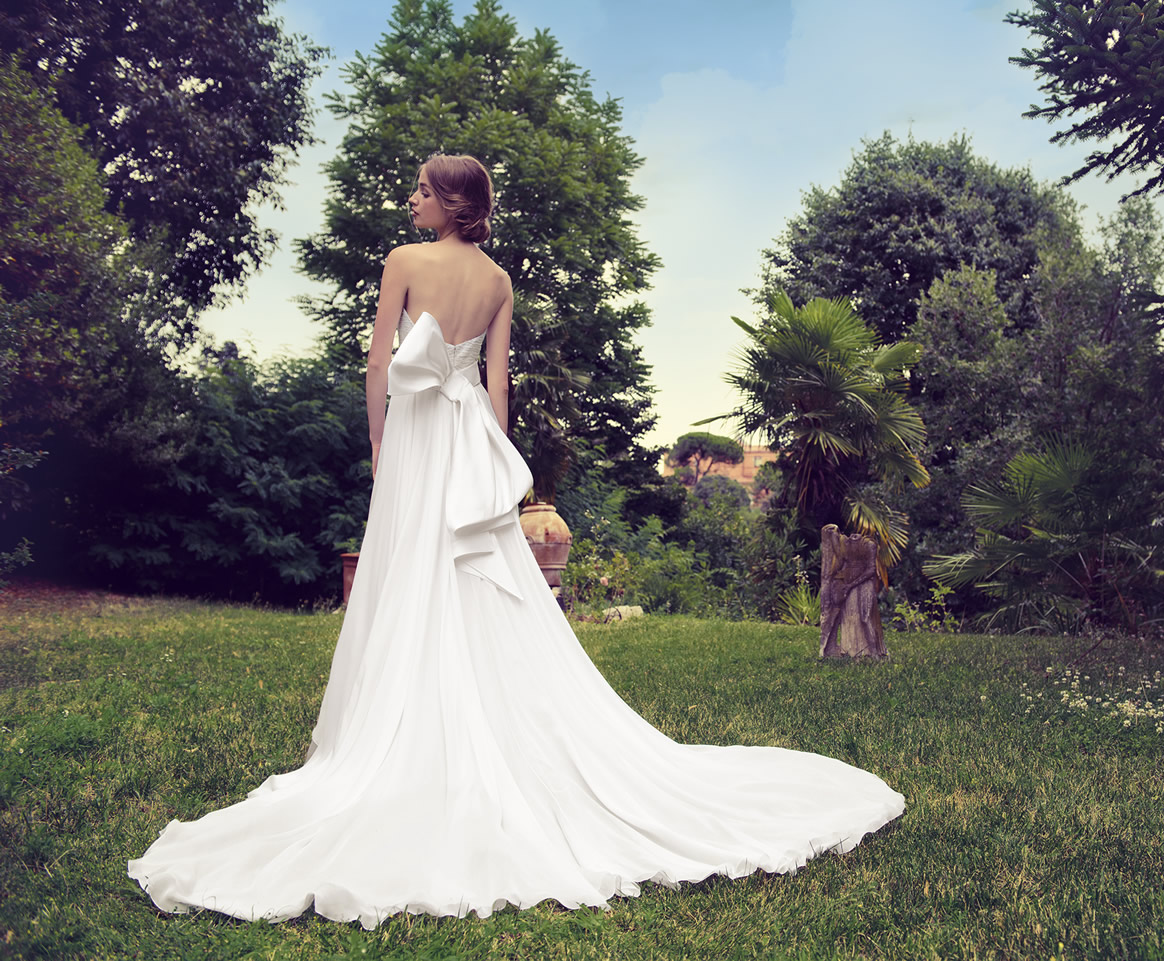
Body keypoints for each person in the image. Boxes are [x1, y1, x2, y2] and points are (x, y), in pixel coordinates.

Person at [127, 153, 905, 929]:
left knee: (411, 571)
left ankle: (411, 729)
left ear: (452, 205)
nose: (411, 199)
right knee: (473, 576)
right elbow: (497, 385)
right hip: (468, 439)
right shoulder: (497, 281)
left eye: (422, 191)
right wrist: (493, 468)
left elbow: (378, 363)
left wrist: (379, 446)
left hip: (420, 437)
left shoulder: (403, 261)